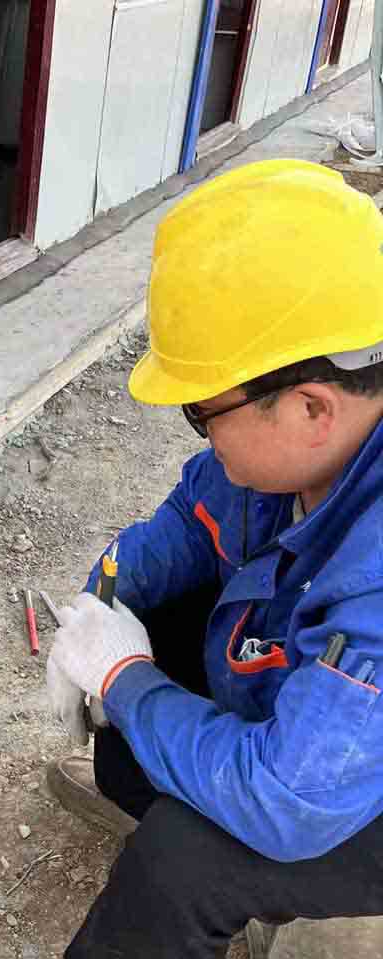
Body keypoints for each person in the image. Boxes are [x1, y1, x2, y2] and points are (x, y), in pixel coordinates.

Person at [44, 159, 383, 958]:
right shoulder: (312, 444)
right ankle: (169, 795)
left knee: (185, 862)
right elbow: (193, 522)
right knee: (150, 613)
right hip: (322, 723)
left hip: (350, 786)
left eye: (204, 412)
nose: (199, 430)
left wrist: (126, 681)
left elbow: (285, 796)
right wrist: (103, 600)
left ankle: (205, 882)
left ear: (311, 408)